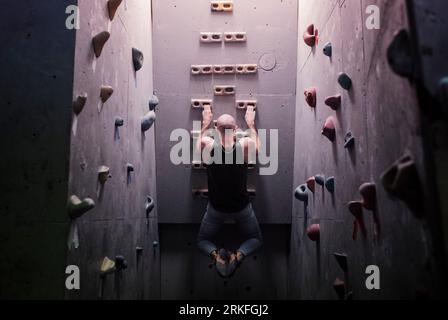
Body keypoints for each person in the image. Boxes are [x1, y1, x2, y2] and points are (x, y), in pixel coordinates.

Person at [196, 105, 263, 278]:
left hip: (216, 209)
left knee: (202, 241)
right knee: (256, 240)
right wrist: (251, 124)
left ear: (216, 129)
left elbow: (199, 141)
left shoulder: (208, 145)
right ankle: (238, 255)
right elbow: (258, 149)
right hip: (241, 208)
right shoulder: (244, 146)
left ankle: (216, 255)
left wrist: (205, 123)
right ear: (236, 129)